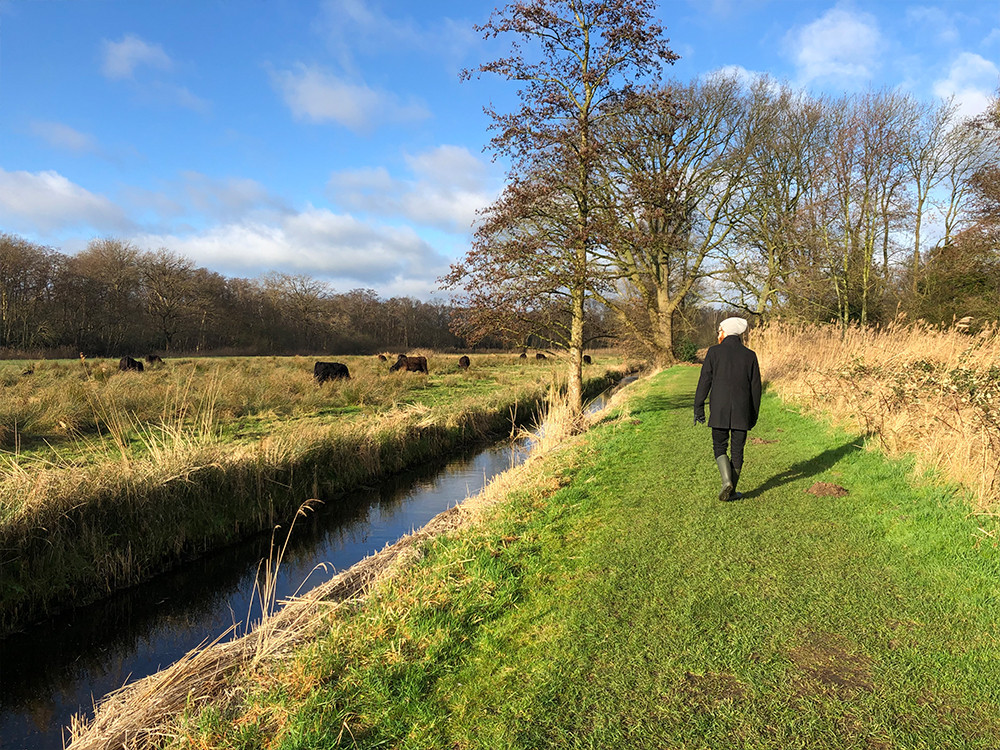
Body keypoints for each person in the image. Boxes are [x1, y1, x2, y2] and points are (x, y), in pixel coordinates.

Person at [693, 317, 762, 501]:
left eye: (719, 331)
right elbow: (756, 389)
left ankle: (726, 483)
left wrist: (698, 407)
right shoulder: (750, 355)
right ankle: (731, 491)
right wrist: (753, 414)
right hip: (742, 412)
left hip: (719, 410)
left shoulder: (714, 353)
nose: (717, 335)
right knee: (738, 451)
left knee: (719, 446)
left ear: (724, 332)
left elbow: (704, 381)